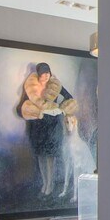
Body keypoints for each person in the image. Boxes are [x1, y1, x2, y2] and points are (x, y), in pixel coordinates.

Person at [20, 63, 78, 196]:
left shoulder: (55, 85)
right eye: (43, 73)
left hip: (53, 126)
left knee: (50, 156)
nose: (46, 76)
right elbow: (21, 107)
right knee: (40, 155)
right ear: (38, 74)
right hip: (37, 125)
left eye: (48, 73)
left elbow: (69, 98)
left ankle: (50, 185)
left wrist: (60, 109)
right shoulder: (31, 88)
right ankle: (45, 183)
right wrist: (33, 111)